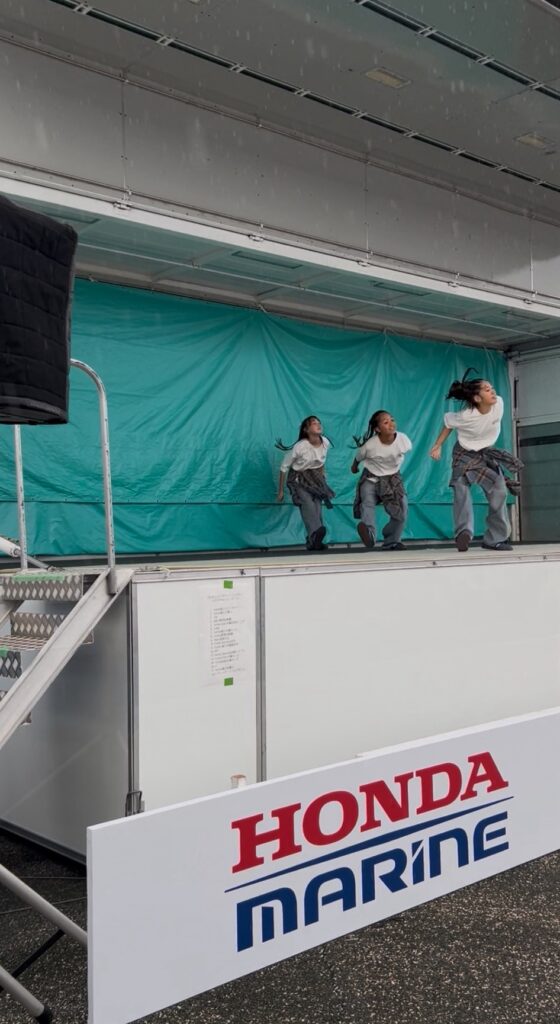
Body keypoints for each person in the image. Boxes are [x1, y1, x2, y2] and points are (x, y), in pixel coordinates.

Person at [429, 370, 522, 552]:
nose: (492, 391)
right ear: (477, 398)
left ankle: (495, 539)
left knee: (499, 489)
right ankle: (463, 532)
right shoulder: (466, 416)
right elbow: (448, 424)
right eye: (487, 390)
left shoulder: (499, 403)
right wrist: (437, 445)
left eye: (492, 388)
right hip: (464, 453)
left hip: (485, 453)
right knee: (461, 488)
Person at [351, 410, 412, 550]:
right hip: (371, 477)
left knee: (402, 508)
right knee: (367, 503)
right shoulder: (370, 445)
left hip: (392, 479)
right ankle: (369, 533)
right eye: (386, 422)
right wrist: (354, 467)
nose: (391, 424)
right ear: (378, 429)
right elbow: (358, 458)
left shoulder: (403, 440)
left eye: (392, 420)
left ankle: (392, 540)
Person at [276, 416, 335, 551]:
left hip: (316, 478)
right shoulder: (300, 446)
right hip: (299, 479)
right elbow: (284, 467)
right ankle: (316, 533)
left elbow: (321, 461)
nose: (318, 425)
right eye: (314, 423)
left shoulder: (325, 442)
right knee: (308, 505)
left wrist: (322, 478)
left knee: (317, 508)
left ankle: (313, 541)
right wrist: (280, 491)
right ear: (306, 429)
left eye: (319, 423)